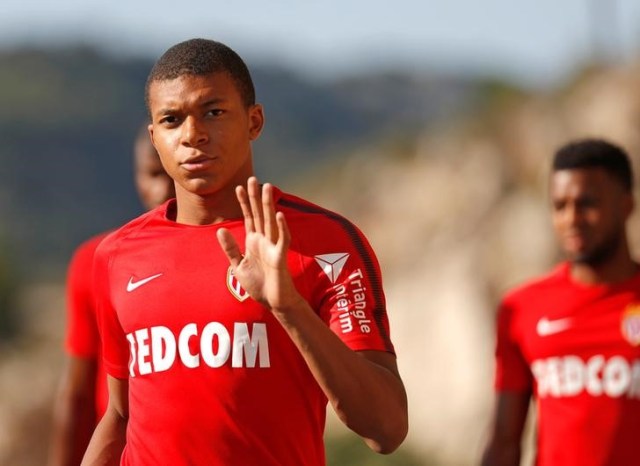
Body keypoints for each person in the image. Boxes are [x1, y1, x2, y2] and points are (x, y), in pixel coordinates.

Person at [80, 38, 408, 466]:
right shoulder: (117, 255)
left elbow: (386, 429)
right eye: (172, 120)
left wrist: (289, 307)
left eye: (213, 112)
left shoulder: (326, 244)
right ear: (154, 138)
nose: (193, 135)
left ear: (254, 121)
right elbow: (121, 416)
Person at [481, 138, 640, 466]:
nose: (572, 218)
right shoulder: (521, 308)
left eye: (587, 203)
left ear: (626, 205)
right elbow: (504, 442)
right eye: (560, 206)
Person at [48, 124, 175, 466]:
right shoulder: (97, 259)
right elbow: (77, 392)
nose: (163, 189)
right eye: (152, 174)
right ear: (136, 176)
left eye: (171, 174)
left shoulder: (235, 258)